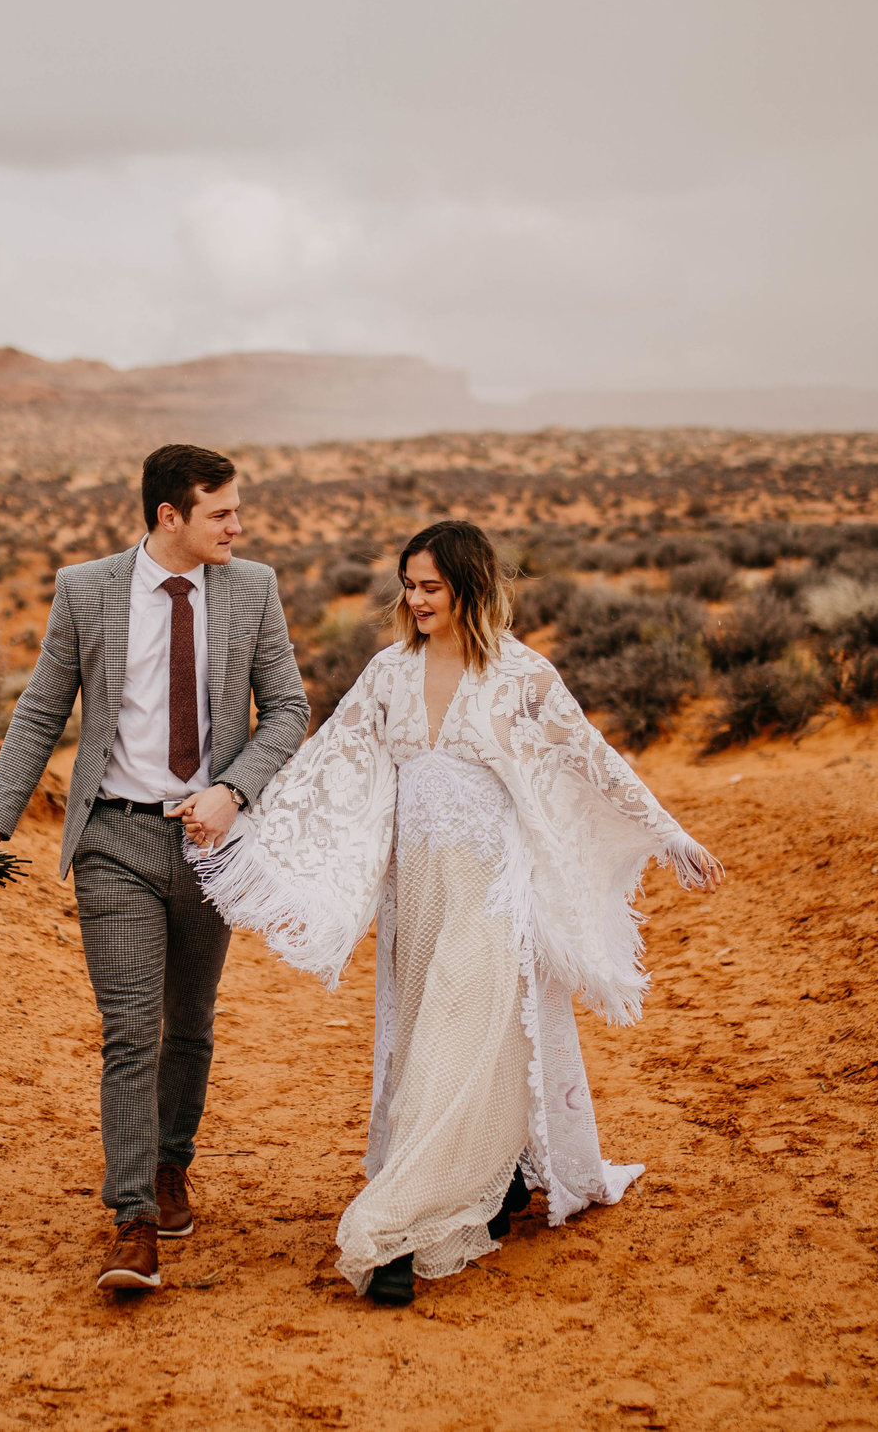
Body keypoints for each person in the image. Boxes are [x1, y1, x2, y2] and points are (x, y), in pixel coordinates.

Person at [182, 519, 725, 1306]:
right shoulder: (387, 673)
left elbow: (591, 758)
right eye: (409, 585)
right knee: (431, 1042)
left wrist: (669, 834)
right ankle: (496, 1176)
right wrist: (240, 812)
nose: (415, 599)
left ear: (469, 585)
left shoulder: (521, 674)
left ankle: (397, 1229)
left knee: (454, 1039)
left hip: (494, 891)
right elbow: (328, 760)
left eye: (430, 586)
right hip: (419, 896)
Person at [0, 443, 309, 1293]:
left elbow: (290, 708)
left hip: (209, 845)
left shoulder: (253, 589)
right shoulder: (87, 590)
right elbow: (42, 709)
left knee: (188, 1021)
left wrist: (233, 790)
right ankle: (132, 1217)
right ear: (171, 516)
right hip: (114, 840)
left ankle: (170, 1164)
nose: (239, 525)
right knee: (129, 1027)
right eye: (222, 512)